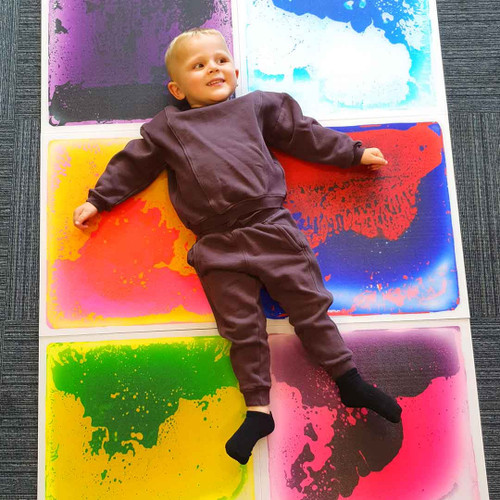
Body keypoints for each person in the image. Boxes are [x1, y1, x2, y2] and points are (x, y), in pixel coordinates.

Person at [73, 28, 402, 465]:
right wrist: (99, 199)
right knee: (241, 329)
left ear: (235, 71)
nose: (214, 68)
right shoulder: (168, 127)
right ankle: (258, 410)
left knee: (308, 305)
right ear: (177, 89)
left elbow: (304, 134)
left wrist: (352, 152)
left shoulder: (257, 107)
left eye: (221, 60)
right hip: (215, 245)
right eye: (199, 65)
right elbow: (133, 164)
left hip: (270, 227)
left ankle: (348, 378)